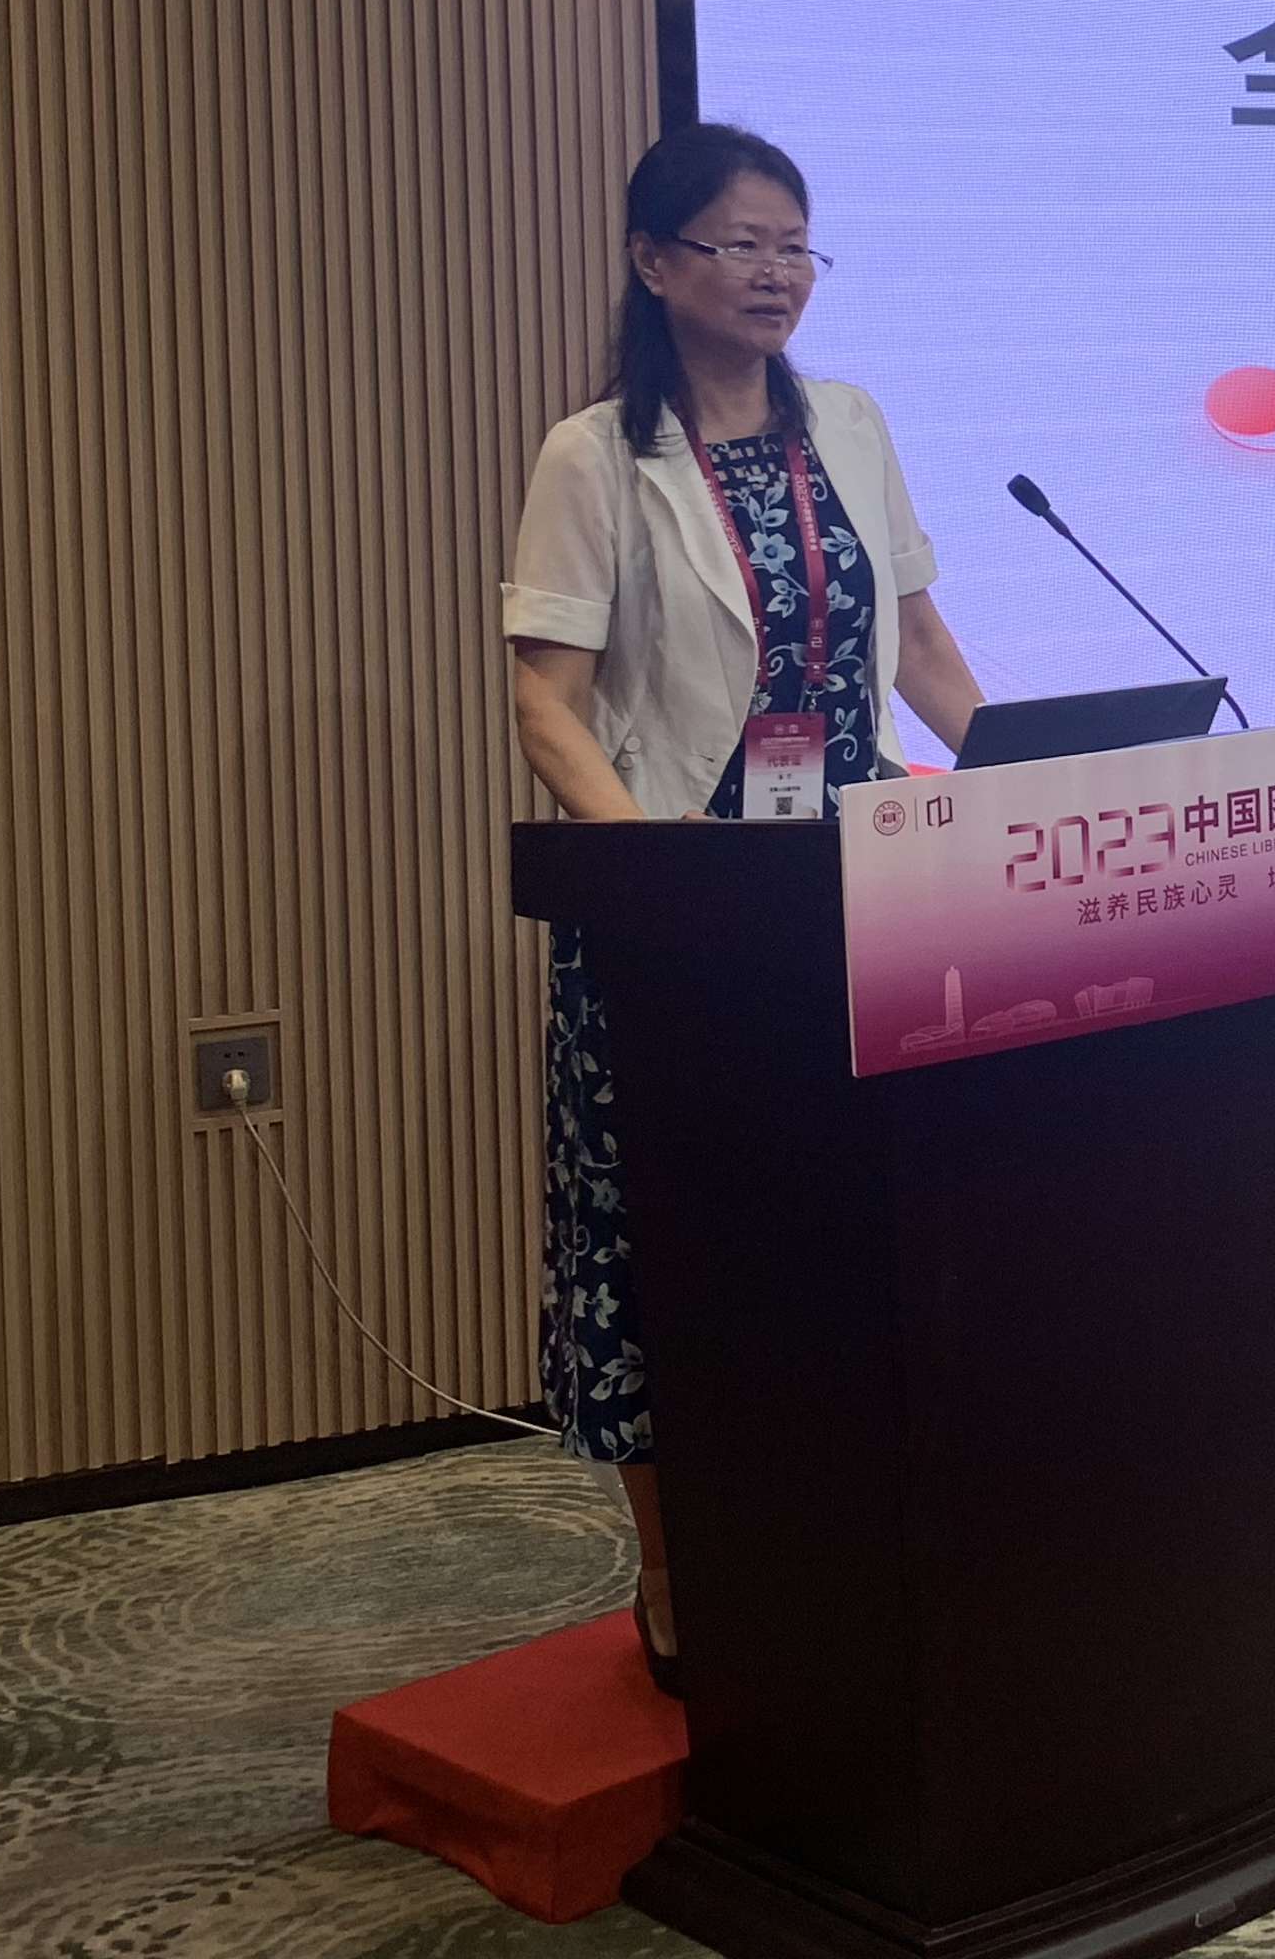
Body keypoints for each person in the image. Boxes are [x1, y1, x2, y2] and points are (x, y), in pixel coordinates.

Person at [499, 122, 985, 1688]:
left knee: (849, 1224)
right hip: (686, 911)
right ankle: (673, 1568)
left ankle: (849, 1534)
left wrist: (1023, 778)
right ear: (656, 262)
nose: (777, 274)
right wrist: (658, 875)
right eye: (740, 244)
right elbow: (549, 700)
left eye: (796, 246)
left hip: (860, 890)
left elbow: (920, 652)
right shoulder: (595, 455)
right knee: (668, 1244)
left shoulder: (849, 422)